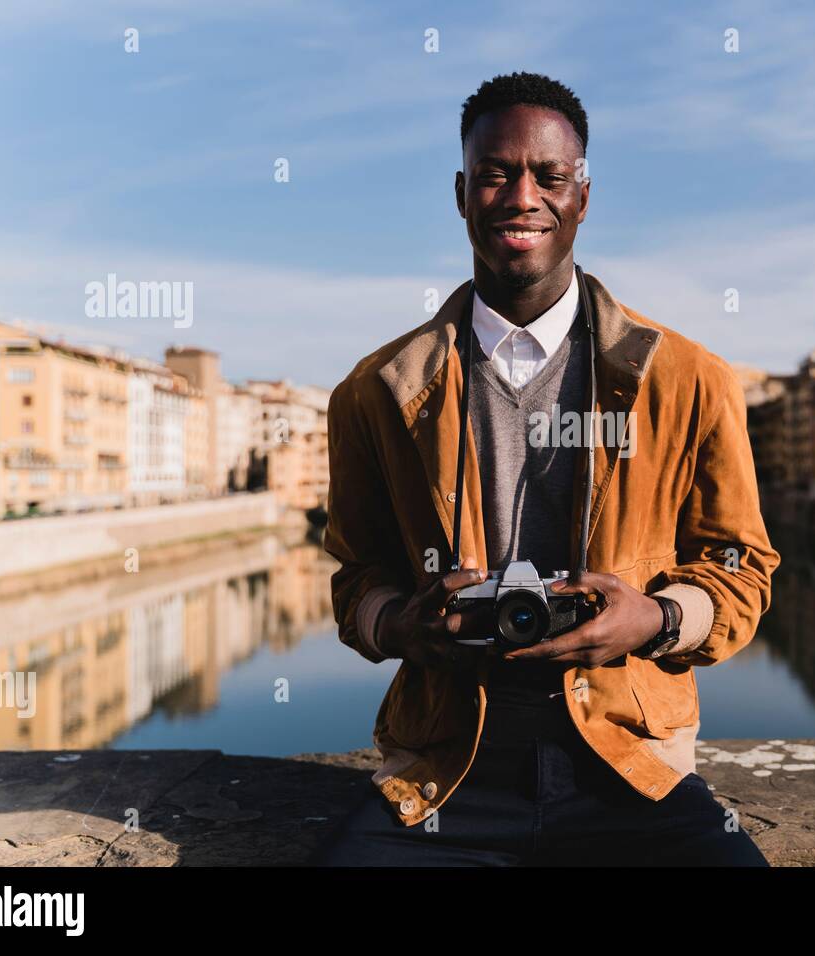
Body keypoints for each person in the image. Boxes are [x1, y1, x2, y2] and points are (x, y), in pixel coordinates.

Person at [316, 72, 779, 866]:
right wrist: (402, 625)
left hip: (629, 758)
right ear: (463, 193)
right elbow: (357, 576)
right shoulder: (373, 392)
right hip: (445, 761)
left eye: (549, 176)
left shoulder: (690, 379)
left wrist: (656, 620)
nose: (521, 196)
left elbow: (744, 571)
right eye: (496, 174)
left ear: (583, 197)